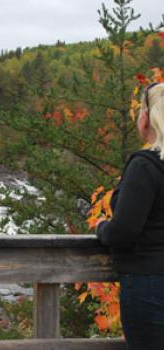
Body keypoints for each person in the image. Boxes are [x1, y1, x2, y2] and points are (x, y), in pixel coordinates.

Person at [95, 82, 164, 350]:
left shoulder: (145, 167)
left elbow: (123, 233)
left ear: (146, 118)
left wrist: (102, 228)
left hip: (150, 286)